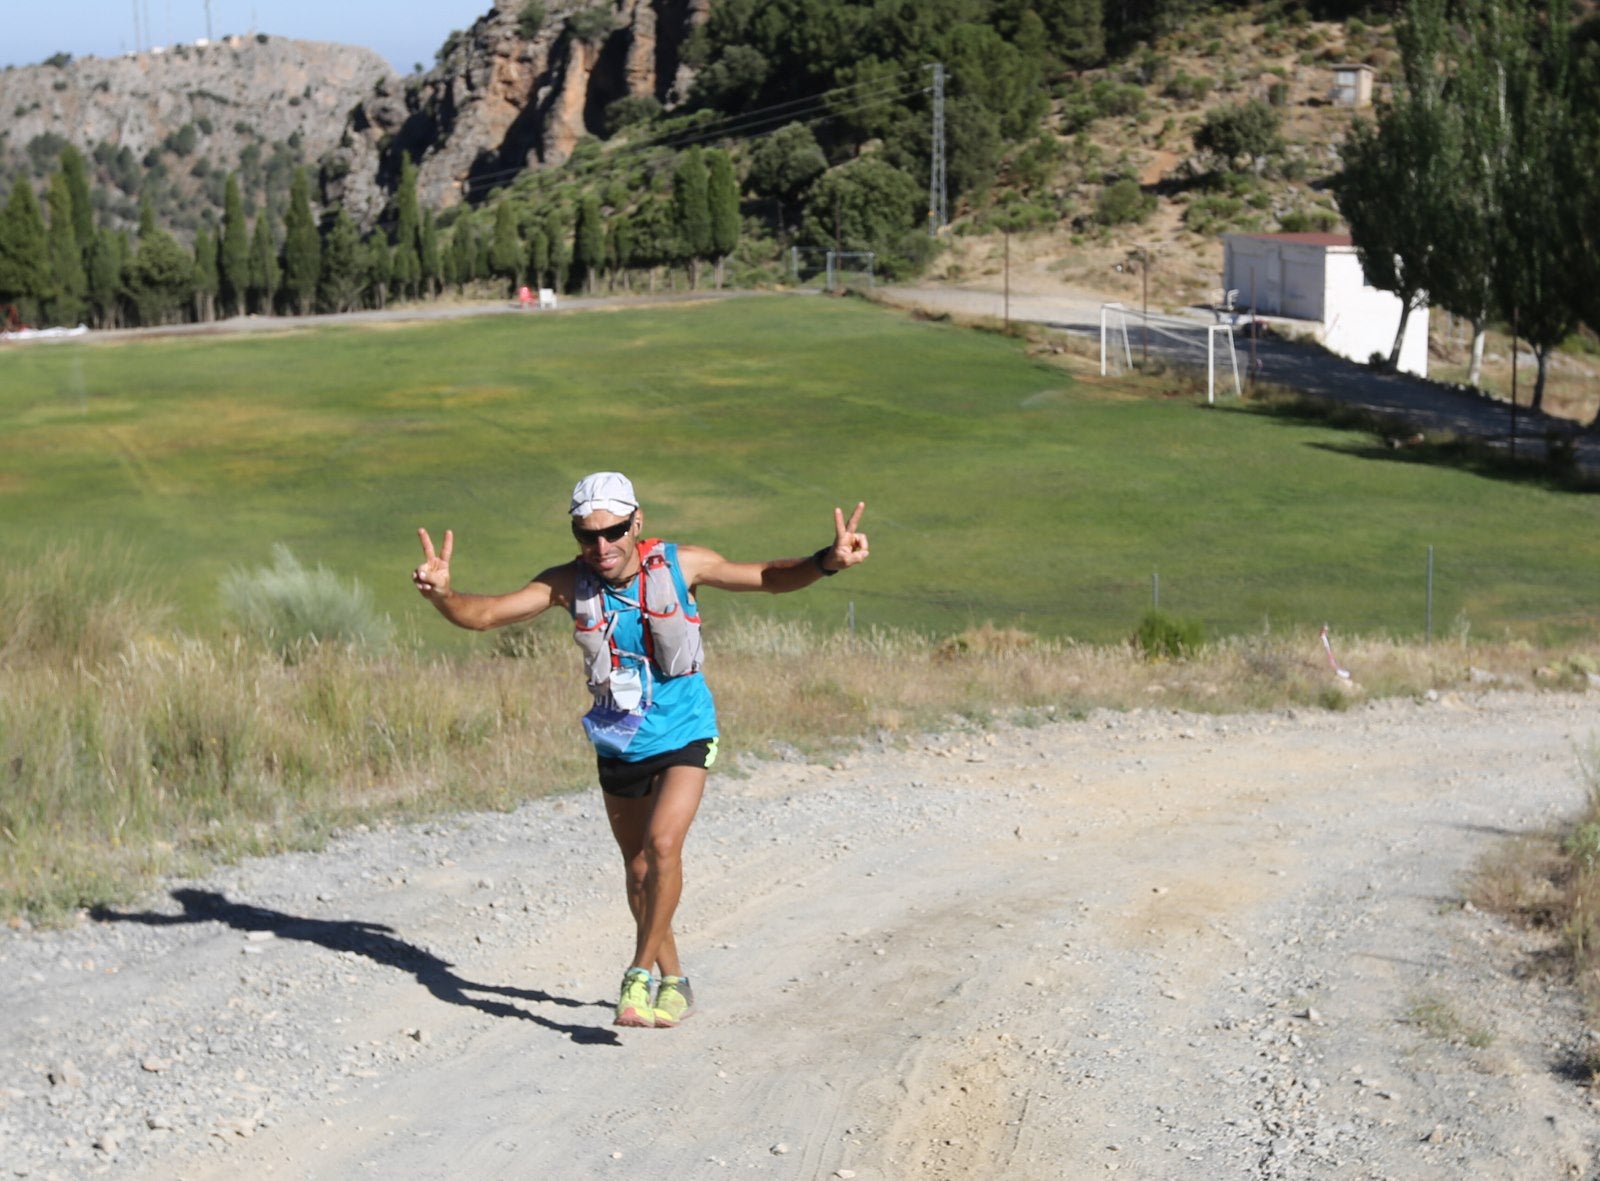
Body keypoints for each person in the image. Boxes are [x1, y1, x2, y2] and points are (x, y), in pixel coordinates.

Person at [412, 472, 869, 1028]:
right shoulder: (567, 583)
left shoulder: (682, 565)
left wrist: (826, 561)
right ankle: (674, 981)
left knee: (662, 845)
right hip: (620, 740)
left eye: (613, 531)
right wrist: (444, 596)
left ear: (637, 523)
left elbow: (768, 577)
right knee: (637, 871)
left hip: (686, 730)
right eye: (587, 535)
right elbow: (483, 616)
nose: (601, 546)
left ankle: (637, 973)